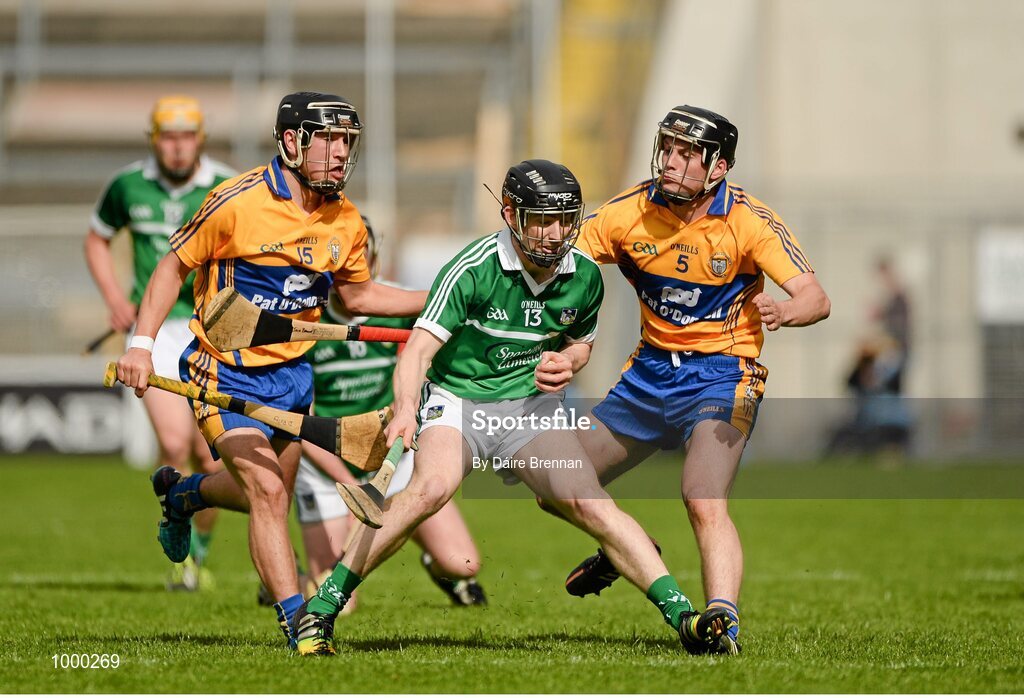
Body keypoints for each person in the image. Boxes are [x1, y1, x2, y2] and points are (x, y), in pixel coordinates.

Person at [291, 158, 732, 657]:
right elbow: (416, 351)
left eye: (564, 219)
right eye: (541, 219)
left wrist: (567, 362)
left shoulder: (584, 277)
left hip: (529, 409)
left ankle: (686, 619)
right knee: (428, 490)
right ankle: (323, 609)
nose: (553, 232)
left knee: (589, 501)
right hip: (458, 400)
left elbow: (580, 345)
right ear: (511, 214)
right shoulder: (472, 268)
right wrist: (407, 408)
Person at [113, 92, 427, 647]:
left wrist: (438, 301)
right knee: (267, 493)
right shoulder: (236, 202)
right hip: (222, 371)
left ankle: (186, 494)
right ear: (290, 142)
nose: (338, 153)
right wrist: (141, 345)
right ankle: (299, 622)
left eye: (346, 141)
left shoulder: (345, 219)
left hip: (292, 378)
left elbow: (358, 296)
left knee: (264, 493)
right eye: (326, 140)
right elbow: (172, 266)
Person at [557, 105, 831, 654]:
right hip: (648, 374)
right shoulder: (628, 212)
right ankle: (632, 548)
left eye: (688, 154)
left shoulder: (748, 220)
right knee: (558, 482)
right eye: (669, 149)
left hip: (723, 374)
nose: (672, 162)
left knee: (702, 496)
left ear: (719, 167)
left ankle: (722, 623)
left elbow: (816, 298)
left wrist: (786, 310)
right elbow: (562, 261)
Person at [294, 216, 486, 610]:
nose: (354, 272)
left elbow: (448, 320)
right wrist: (353, 489)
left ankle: (422, 544)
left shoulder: (396, 302)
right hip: (328, 465)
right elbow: (302, 424)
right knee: (341, 604)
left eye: (362, 260)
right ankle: (284, 574)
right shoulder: (305, 318)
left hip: (390, 450)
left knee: (463, 563)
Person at [84, 95, 234, 591]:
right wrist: (114, 297)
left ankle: (201, 554)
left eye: (186, 137)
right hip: (154, 333)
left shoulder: (225, 187)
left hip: (209, 332)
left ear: (200, 140)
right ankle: (182, 567)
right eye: (168, 137)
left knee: (212, 455)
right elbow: (96, 239)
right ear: (154, 139)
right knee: (174, 444)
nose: (177, 148)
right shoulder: (128, 185)